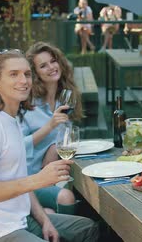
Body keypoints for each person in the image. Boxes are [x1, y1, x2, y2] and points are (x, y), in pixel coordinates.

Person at [0, 49, 98, 242]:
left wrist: (44, 220)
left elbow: (20, 181)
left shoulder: (11, 120)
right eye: (14, 74)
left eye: (27, 74)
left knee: (87, 229)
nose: (24, 81)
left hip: (21, 220)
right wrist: (38, 180)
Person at [22, 42, 83, 215]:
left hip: (54, 174)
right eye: (43, 65)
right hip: (30, 178)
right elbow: (18, 145)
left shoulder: (63, 99)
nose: (51, 67)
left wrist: (54, 147)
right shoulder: (27, 104)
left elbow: (67, 137)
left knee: (52, 212)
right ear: (35, 74)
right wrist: (50, 126)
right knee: (66, 197)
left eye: (53, 61)